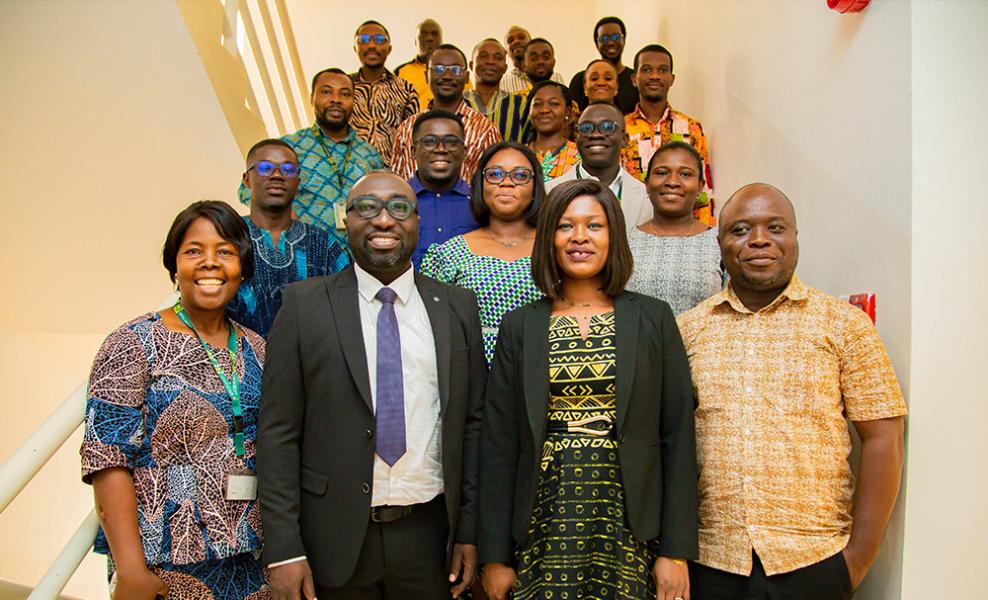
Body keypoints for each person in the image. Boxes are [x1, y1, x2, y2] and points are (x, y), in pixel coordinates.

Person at [257, 171, 487, 599]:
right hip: (333, 537)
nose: (384, 220)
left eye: (399, 207)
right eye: (367, 207)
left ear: (417, 220)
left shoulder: (456, 306)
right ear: (346, 221)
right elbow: (278, 433)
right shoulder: (304, 306)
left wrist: (470, 532)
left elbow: (472, 426)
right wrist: (284, 548)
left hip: (431, 535)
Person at [677, 184, 908, 599]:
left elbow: (884, 437)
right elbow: (668, 445)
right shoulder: (689, 329)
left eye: (775, 227)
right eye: (741, 230)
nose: (759, 239)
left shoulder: (844, 325)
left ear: (795, 237)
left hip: (815, 561)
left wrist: (856, 560)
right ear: (721, 244)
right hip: (711, 562)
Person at [478, 179, 698, 600]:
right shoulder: (520, 327)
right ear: (549, 239)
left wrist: (676, 550)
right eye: (565, 226)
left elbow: (678, 437)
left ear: (613, 236)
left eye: (594, 226)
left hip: (630, 522)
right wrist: (495, 557)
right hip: (543, 520)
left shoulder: (653, 319)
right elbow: (498, 447)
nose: (580, 238)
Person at [81, 201, 269, 599]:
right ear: (174, 266)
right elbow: (108, 459)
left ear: (242, 268)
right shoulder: (133, 343)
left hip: (252, 557)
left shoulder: (258, 349)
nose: (210, 263)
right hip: (162, 559)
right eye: (193, 251)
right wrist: (131, 569)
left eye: (225, 251)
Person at [421, 141, 546, 364]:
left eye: (520, 175)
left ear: (535, 187)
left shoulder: (556, 249)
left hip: (540, 369)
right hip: (472, 375)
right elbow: (431, 329)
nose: (507, 182)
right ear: (481, 184)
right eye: (495, 174)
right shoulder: (449, 254)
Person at [239, 68, 385, 234]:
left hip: (359, 252)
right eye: (326, 92)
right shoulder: (288, 148)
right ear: (311, 98)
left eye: (345, 94)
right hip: (306, 251)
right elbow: (246, 189)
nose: (336, 100)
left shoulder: (370, 154)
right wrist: (283, 217)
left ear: (354, 101)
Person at [228, 139, 350, 337]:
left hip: (313, 361)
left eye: (288, 170)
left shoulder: (322, 243)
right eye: (265, 168)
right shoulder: (227, 237)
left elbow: (347, 305)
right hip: (240, 362)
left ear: (298, 182)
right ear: (247, 179)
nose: (277, 175)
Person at [626, 141, 725, 315]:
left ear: (700, 186)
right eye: (662, 173)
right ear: (647, 183)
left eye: (685, 174)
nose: (672, 182)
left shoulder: (720, 243)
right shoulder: (624, 242)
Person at [623, 44, 714, 225]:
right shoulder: (621, 129)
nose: (655, 76)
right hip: (633, 230)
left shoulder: (691, 128)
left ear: (672, 79)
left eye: (662, 70)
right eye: (647, 69)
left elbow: (703, 189)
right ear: (634, 78)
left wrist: (706, 234)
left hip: (683, 233)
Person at [390, 44, 502, 183]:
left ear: (467, 77)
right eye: (439, 69)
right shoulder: (406, 128)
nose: (447, 76)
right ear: (426, 76)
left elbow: (493, 183)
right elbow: (395, 182)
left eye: (455, 70)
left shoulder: (486, 130)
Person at [547, 102, 651, 227]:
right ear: (576, 137)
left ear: (624, 139)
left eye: (607, 127)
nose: (595, 135)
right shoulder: (549, 193)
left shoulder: (647, 198)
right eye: (586, 128)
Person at [407, 110, 476, 268]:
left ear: (464, 152)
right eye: (429, 141)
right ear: (413, 151)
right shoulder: (396, 201)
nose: (440, 149)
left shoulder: (480, 204)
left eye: (451, 142)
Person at [349, 20, 420, 167]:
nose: (372, 45)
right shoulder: (344, 88)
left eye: (380, 40)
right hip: (350, 177)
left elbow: (412, 141)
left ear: (389, 48)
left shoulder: (406, 90)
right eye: (364, 40)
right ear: (355, 47)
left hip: (392, 177)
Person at [464, 39, 530, 143]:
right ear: (471, 65)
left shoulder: (521, 105)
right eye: (483, 56)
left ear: (505, 68)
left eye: (498, 58)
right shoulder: (457, 103)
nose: (490, 61)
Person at [569, 17, 639, 114]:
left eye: (616, 37)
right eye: (604, 38)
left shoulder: (636, 80)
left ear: (624, 39)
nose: (610, 42)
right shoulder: (579, 80)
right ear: (597, 43)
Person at [500, 26, 564, 94]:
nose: (516, 42)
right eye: (510, 41)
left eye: (521, 37)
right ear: (506, 50)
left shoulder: (556, 77)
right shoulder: (502, 83)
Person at [395, 18, 443, 107]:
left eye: (434, 34)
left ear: (441, 40)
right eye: (424, 34)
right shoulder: (399, 73)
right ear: (415, 42)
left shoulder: (456, 72)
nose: (429, 38)